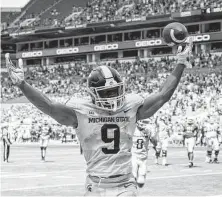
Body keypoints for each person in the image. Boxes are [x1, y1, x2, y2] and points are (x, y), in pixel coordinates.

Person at [5, 38, 193, 196]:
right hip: (95, 185)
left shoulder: (131, 105)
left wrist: (180, 63)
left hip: (125, 184)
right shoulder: (81, 110)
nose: (112, 96)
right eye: (107, 92)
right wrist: (22, 85)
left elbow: (162, 96)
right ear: (93, 94)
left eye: (115, 91)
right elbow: (49, 106)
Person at [132, 120, 150, 188]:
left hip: (137, 156)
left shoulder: (132, 129)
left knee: (137, 179)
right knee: (140, 181)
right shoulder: (148, 130)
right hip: (140, 156)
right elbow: (153, 139)